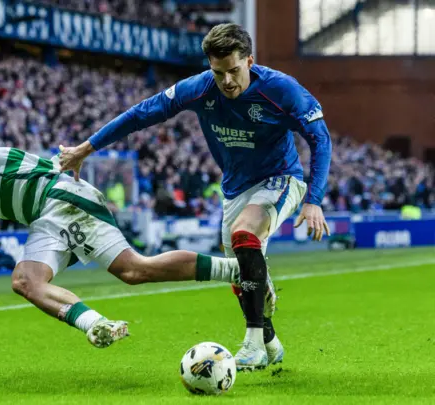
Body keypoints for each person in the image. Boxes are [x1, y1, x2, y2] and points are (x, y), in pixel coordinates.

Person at [58, 23, 332, 370]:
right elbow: (142, 113)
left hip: (280, 178)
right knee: (241, 271)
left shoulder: (281, 90)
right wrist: (86, 148)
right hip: (234, 189)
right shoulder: (200, 89)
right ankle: (270, 342)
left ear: (250, 60)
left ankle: (251, 344)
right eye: (219, 73)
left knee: (244, 237)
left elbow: (320, 138)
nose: (228, 81)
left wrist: (313, 198)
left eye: (234, 70)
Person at [0, 104, 270, 349]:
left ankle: (238, 270)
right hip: (49, 214)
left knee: (50, 277)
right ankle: (235, 270)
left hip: (58, 195)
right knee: (128, 271)